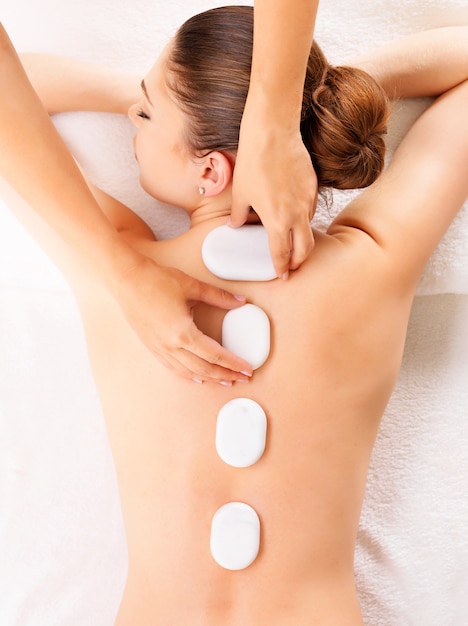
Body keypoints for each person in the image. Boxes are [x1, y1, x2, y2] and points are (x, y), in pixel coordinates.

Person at [1, 7, 467, 624]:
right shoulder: (371, 266)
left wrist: (133, 95)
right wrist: (331, 94)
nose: (133, 127)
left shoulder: (121, 268)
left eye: (145, 114)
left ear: (210, 170)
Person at [1, 0, 320, 386]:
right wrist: (283, 112)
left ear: (209, 170)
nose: (134, 117)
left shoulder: (125, 254)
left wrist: (183, 103)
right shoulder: (366, 258)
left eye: (145, 115)